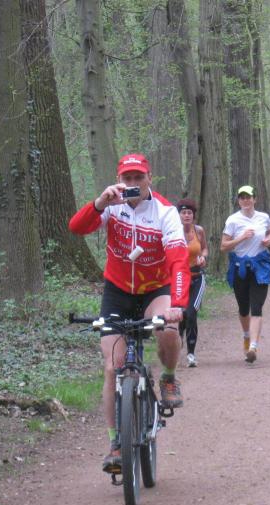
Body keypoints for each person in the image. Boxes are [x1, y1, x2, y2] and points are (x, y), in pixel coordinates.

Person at [69, 153, 189, 473]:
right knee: (112, 367)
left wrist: (177, 304)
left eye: (139, 177)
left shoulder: (165, 212)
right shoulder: (112, 206)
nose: (133, 183)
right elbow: (76, 228)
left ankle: (168, 377)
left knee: (167, 329)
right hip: (118, 291)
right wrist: (99, 204)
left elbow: (179, 261)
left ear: (149, 178)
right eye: (127, 178)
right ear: (119, 179)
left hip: (155, 289)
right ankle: (116, 444)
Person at [221, 185, 270, 364]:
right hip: (240, 268)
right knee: (244, 309)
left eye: (248, 197)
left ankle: (253, 347)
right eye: (242, 197)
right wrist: (241, 237)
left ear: (254, 199)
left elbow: (269, 231)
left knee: (257, 307)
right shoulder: (233, 220)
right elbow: (223, 246)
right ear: (238, 200)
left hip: (260, 267)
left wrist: (268, 240)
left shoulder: (263, 217)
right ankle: (246, 336)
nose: (245, 200)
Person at [176, 198, 208, 368]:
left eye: (189, 213)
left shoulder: (199, 231)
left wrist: (203, 257)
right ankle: (178, 341)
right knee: (181, 314)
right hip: (180, 279)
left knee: (191, 312)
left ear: (193, 215)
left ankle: (191, 354)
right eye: (183, 212)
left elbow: (205, 248)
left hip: (197, 277)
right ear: (179, 215)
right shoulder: (173, 232)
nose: (187, 215)